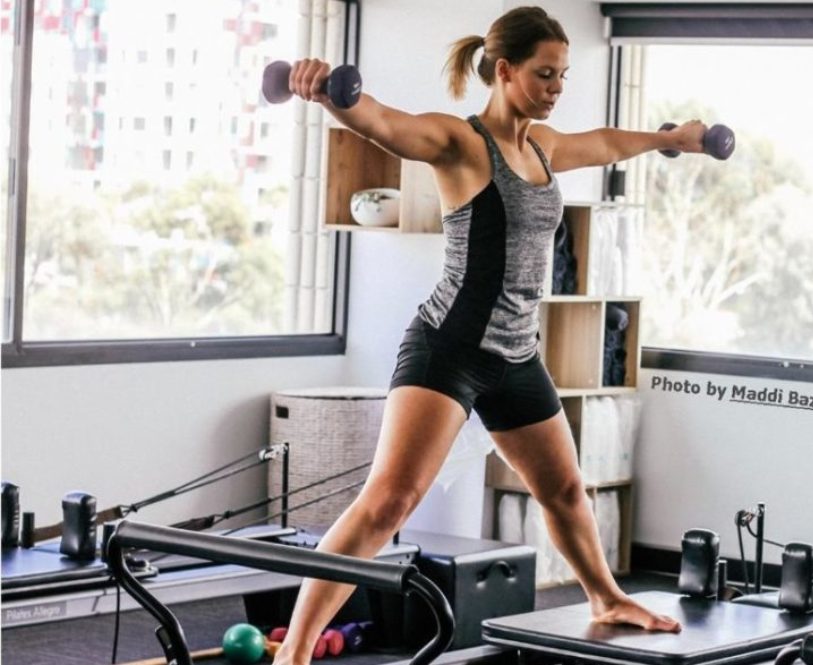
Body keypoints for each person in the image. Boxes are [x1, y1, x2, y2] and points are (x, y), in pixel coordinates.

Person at [275, 6, 710, 663]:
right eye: (544, 74)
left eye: (563, 75)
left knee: (564, 490)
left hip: (516, 354)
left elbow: (606, 142)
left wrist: (668, 140)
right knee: (389, 500)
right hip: (449, 346)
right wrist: (333, 95)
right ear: (504, 71)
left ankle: (605, 595)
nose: (556, 87)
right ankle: (297, 650)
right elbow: (388, 126)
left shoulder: (545, 146)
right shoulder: (461, 142)